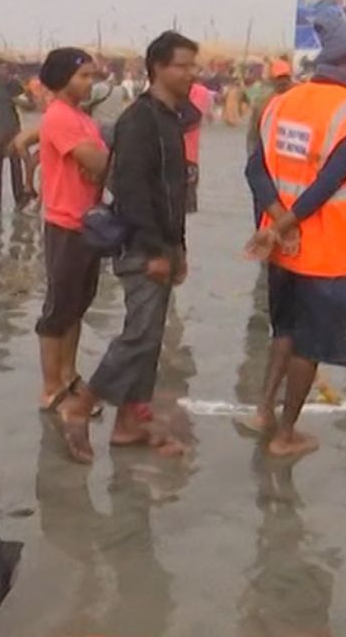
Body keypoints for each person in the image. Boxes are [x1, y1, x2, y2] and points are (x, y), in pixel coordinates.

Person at [60, 31, 199, 464]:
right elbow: (133, 191)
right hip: (141, 246)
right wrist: (157, 250)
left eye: (194, 66)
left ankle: (129, 424)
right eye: (183, 65)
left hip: (162, 244)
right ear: (158, 67)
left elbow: (173, 194)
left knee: (152, 337)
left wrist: (179, 248)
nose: (191, 74)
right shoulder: (140, 120)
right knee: (139, 335)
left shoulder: (170, 118)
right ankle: (80, 405)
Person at [244, 13, 346, 458]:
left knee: (284, 329)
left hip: (281, 246)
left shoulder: (282, 101)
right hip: (326, 249)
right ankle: (286, 434)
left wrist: (277, 222)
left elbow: (255, 167)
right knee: (310, 343)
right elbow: (330, 181)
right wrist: (289, 223)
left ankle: (263, 410)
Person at [11, 49, 109, 417]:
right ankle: (50, 386)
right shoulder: (60, 118)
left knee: (77, 306)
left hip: (88, 224)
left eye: (90, 76)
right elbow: (98, 163)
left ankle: (69, 375)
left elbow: (98, 165)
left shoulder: (83, 119)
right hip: (65, 224)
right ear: (61, 80)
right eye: (82, 76)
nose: (88, 83)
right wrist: (102, 164)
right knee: (58, 309)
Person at [0, 59, 32, 209]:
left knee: (16, 166)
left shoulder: (15, 86)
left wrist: (19, 100)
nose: (2, 72)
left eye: (5, 69)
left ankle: (19, 199)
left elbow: (30, 104)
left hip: (13, 129)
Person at [246, 61, 295, 162]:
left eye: (285, 78)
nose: (283, 82)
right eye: (279, 78)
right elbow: (253, 133)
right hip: (269, 154)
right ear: (272, 80)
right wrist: (252, 158)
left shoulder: (301, 98)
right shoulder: (263, 103)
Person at [183, 80, 213, 213]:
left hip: (187, 155)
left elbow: (193, 118)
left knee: (187, 205)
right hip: (165, 154)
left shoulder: (199, 91)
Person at [87, 71, 131, 146]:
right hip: (116, 125)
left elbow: (85, 103)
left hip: (100, 125)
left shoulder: (97, 88)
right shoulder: (120, 89)